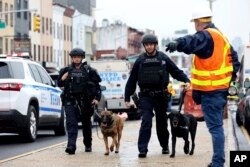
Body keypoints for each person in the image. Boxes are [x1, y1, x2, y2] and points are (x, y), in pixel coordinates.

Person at [165, 7, 240, 167]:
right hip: (218, 91)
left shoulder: (206, 35)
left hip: (211, 93)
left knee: (215, 128)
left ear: (199, 22)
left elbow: (192, 41)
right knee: (217, 126)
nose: (195, 27)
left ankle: (218, 163)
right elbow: (235, 62)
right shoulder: (221, 36)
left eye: (195, 23)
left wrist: (177, 43)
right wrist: (227, 81)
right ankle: (217, 161)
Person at [125, 34, 191, 158]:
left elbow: (176, 72)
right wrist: (127, 98)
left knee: (161, 123)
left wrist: (187, 80)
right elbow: (132, 80)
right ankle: (142, 149)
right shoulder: (140, 60)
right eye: (147, 45)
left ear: (155, 45)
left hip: (161, 96)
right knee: (146, 121)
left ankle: (165, 146)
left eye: (151, 44)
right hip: (146, 96)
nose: (149, 47)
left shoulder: (163, 58)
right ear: (144, 46)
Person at [57, 48, 102, 155]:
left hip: (85, 101)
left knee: (86, 124)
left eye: (78, 57)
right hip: (70, 100)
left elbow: (97, 86)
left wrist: (97, 99)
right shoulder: (66, 70)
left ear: (82, 58)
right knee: (71, 123)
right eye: (74, 57)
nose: (76, 59)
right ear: (72, 58)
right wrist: (63, 78)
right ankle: (71, 146)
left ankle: (88, 144)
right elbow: (59, 84)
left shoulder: (89, 70)